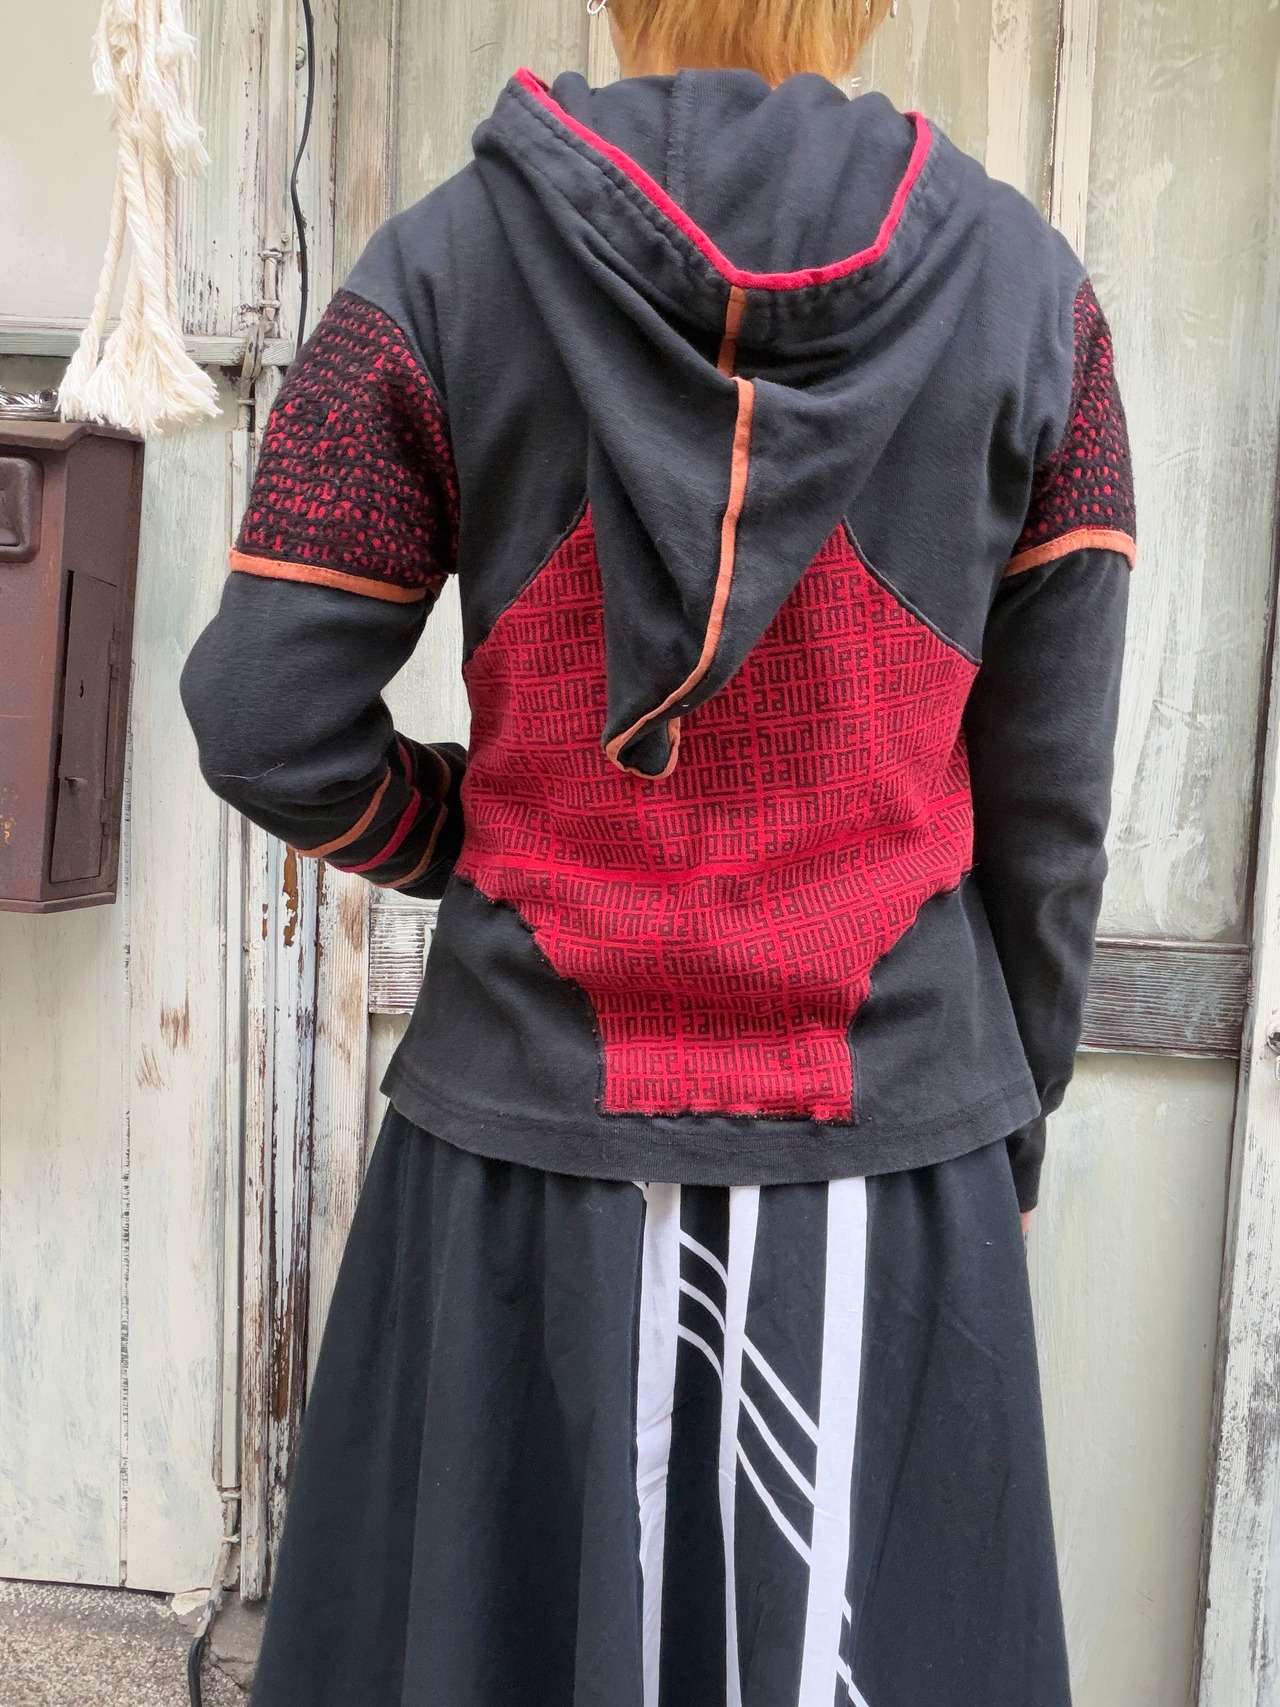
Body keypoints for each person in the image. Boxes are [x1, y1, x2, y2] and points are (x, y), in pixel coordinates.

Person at [181, 0, 1134, 1700]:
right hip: (888, 1163)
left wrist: (474, 834)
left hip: (522, 1162)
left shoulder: (440, 270)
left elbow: (263, 716)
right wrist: (1013, 1112)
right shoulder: (1035, 302)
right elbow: (1049, 820)